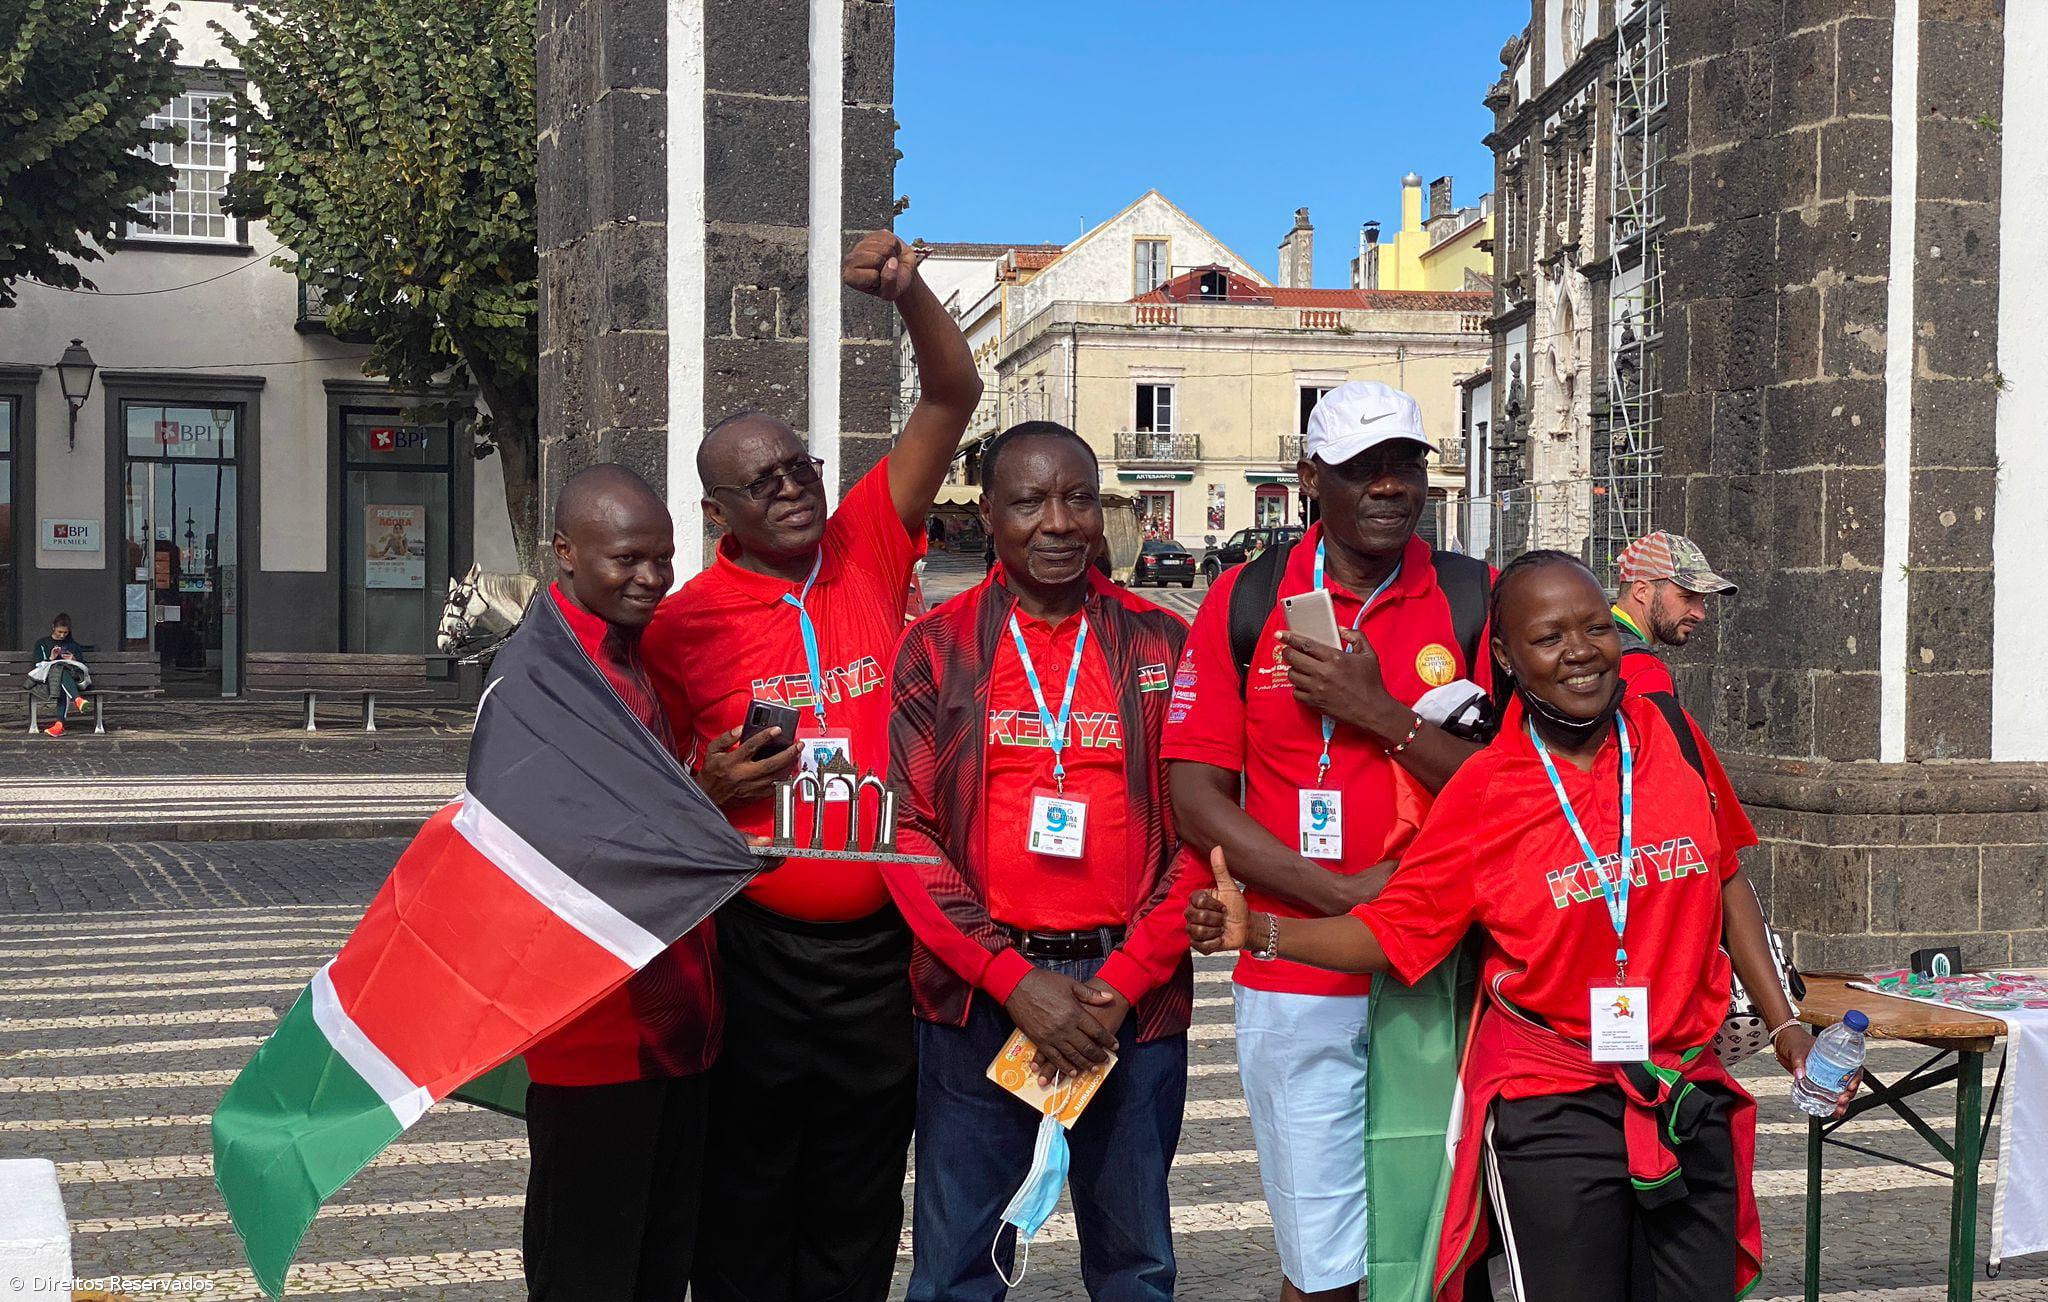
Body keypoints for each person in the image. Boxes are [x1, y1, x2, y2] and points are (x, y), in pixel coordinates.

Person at [1188, 550, 1859, 1302]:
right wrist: (1261, 935)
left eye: (1596, 628)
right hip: (1553, 1104)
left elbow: (1726, 874)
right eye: (1548, 637)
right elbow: (1392, 934)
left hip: (1682, 1084)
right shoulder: (1484, 790)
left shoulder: (1669, 734)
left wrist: (1784, 1026)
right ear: (1506, 657)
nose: (1580, 652)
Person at [642, 228, 981, 1302]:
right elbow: (640, 808)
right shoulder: (679, 628)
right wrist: (707, 790)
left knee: (855, 1189)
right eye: (760, 483)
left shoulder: (873, 538)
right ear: (716, 515)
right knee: (744, 1190)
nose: (790, 491)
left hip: (882, 946)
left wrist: (908, 291)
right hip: (750, 949)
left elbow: (951, 391)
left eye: (800, 468)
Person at [1162, 380, 1491, 1302]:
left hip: (1443, 970)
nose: (1390, 487)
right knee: (1322, 1256)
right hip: (1296, 969)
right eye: (1362, 469)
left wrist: (1379, 715)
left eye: (1406, 465)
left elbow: (1514, 793)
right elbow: (1195, 795)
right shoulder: (1246, 597)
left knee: (1440, 1236)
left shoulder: (1471, 595)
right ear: (1312, 478)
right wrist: (1342, 894)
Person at [884, 420, 1199, 1301]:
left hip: (1127, 1003)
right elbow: (906, 835)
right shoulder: (940, 648)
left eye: (1078, 499)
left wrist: (1125, 981)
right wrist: (1007, 976)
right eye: (1029, 501)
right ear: (988, 515)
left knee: (1135, 1261)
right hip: (977, 998)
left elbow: (1200, 838)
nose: (1057, 522)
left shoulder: (1163, 646)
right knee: (956, 1266)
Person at [520, 464, 717, 1302]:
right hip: (600, 1040)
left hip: (671, 1030)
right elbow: (578, 845)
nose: (651, 578)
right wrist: (712, 795)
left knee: (654, 1269)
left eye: (664, 558)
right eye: (627, 559)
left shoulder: (619, 654)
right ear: (564, 552)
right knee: (592, 1274)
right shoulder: (547, 676)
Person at [1610, 530, 1736, 696]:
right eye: (1687, 597)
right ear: (1642, 591)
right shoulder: (1643, 671)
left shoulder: (1593, 642)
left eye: (1702, 599)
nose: (1700, 614)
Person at [31, 614, 89, 738]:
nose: (62, 635)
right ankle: (77, 700)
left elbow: (82, 666)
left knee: (61, 675)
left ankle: (59, 725)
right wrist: (51, 658)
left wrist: (74, 659)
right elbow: (37, 665)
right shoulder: (42, 643)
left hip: (72, 679)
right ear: (53, 628)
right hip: (47, 680)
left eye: (65, 632)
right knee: (59, 670)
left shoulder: (73, 645)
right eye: (60, 632)